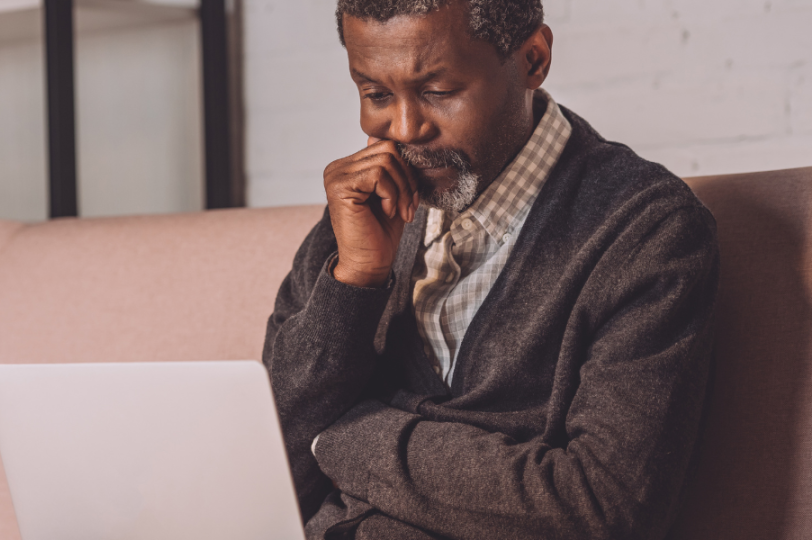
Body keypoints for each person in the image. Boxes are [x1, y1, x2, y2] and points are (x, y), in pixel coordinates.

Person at [260, 1, 720, 539]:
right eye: (376, 95)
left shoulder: (646, 230)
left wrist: (343, 437)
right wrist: (356, 280)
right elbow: (267, 469)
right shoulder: (361, 211)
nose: (405, 130)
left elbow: (606, 510)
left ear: (533, 59)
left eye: (438, 91)